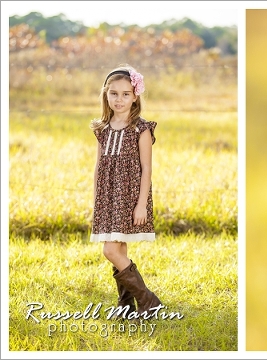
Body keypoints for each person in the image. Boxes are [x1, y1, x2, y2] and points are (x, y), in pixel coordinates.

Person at [90, 64, 162, 319]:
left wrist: (141, 204)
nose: (119, 99)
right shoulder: (102, 129)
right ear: (106, 95)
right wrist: (96, 201)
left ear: (135, 97)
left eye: (125, 94)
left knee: (110, 251)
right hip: (107, 197)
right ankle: (126, 305)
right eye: (114, 93)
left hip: (130, 197)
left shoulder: (141, 129)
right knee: (118, 251)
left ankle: (149, 302)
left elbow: (146, 169)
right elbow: (99, 166)